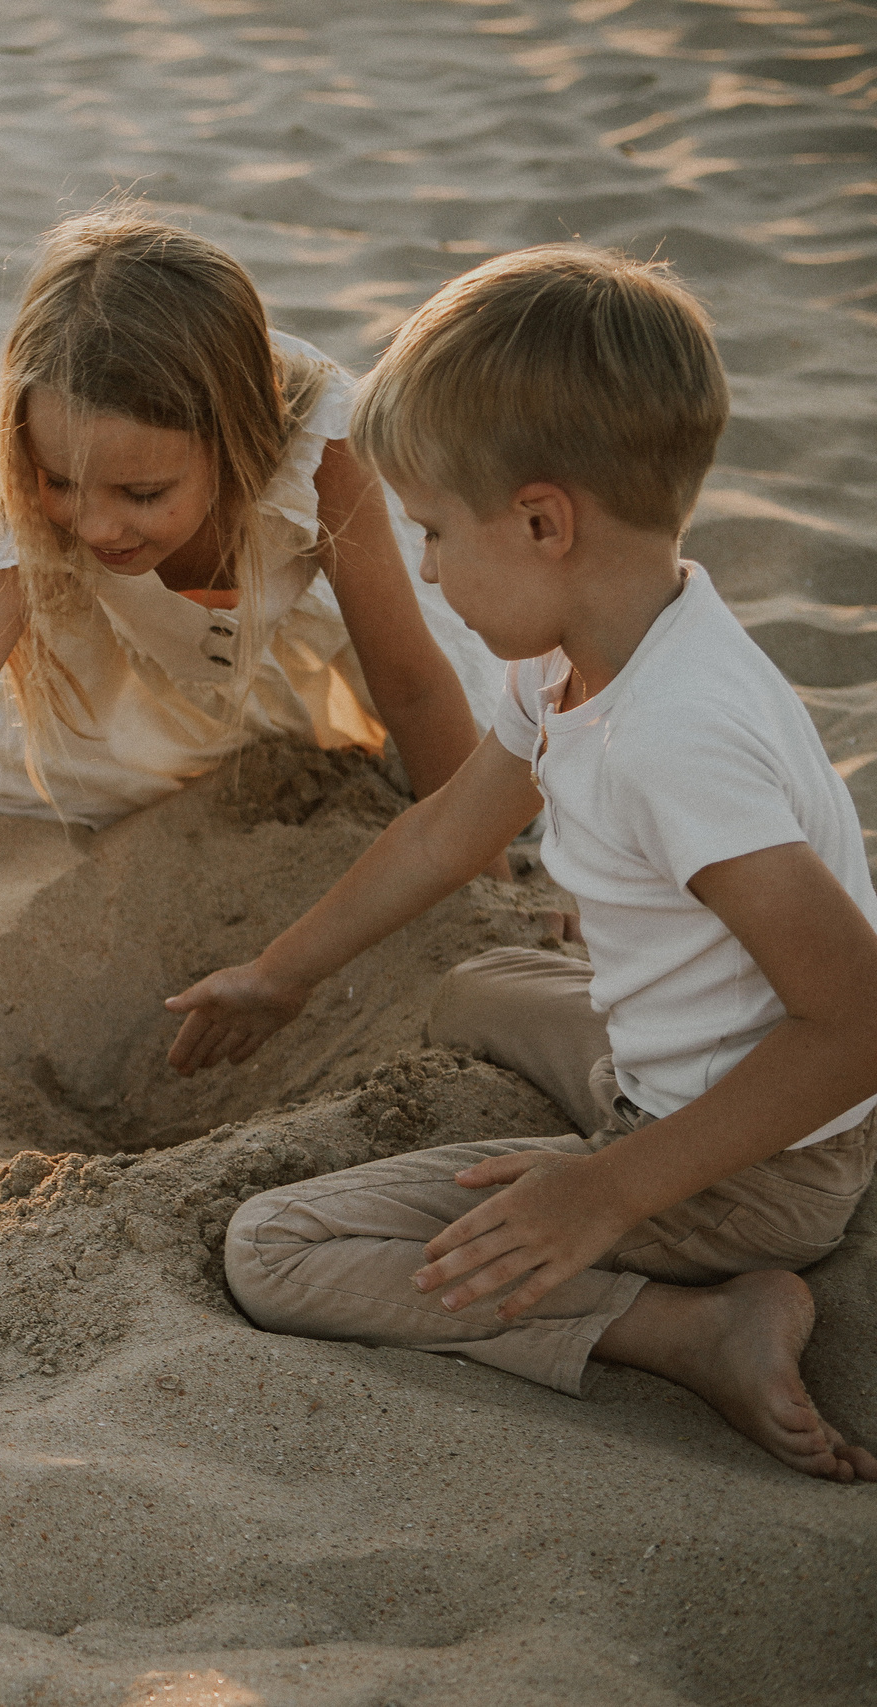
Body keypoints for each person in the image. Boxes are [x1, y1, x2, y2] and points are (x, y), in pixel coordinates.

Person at [161, 245, 877, 1481]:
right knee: (472, 988)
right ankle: (638, 1189)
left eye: (433, 531)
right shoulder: (584, 644)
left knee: (273, 1251)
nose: (424, 566)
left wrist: (604, 1196)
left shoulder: (674, 739)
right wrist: (278, 973)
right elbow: (452, 827)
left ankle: (692, 1327)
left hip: (754, 1158)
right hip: (664, 1061)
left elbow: (858, 1021)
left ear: (545, 521)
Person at [0, 207, 495, 1125]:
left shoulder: (317, 441)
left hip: (280, 658)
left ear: (238, 442)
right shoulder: (38, 496)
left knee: (445, 727)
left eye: (142, 493)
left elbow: (406, 677)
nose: (91, 525)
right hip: (118, 689)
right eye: (60, 481)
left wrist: (486, 874)